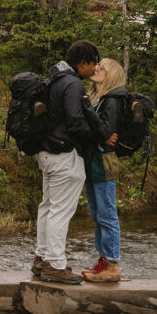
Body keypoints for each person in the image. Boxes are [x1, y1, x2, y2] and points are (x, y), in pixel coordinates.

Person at [31, 39, 101, 284]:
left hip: (46, 152)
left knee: (48, 206)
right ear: (82, 63)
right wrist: (96, 137)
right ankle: (56, 265)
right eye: (93, 64)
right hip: (64, 155)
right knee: (60, 211)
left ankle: (41, 258)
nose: (95, 69)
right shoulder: (72, 84)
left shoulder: (54, 80)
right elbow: (74, 120)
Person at [81, 57, 127, 283]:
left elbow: (105, 131)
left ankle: (111, 263)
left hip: (103, 163)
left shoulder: (111, 101)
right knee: (97, 213)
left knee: (107, 214)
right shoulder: (97, 98)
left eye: (102, 67)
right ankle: (104, 260)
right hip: (93, 162)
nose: (96, 68)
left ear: (111, 76)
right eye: (96, 64)